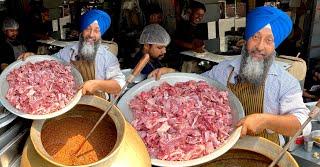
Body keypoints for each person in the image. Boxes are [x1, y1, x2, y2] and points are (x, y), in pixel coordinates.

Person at [150, 6, 311, 145]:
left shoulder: (285, 81)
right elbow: (197, 86)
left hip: (266, 150)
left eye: (269, 40)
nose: (260, 47)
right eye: (255, 37)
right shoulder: (225, 69)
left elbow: (303, 124)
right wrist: (174, 75)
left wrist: (266, 120)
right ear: (247, 39)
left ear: (275, 46)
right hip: (225, 146)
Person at [19, 9, 125, 98]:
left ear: (101, 34)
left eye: (97, 31)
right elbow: (49, 62)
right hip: (71, 99)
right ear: (82, 31)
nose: (91, 35)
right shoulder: (69, 51)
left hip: (97, 102)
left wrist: (97, 84)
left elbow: (120, 85)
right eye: (88, 29)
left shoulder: (107, 57)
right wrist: (33, 57)